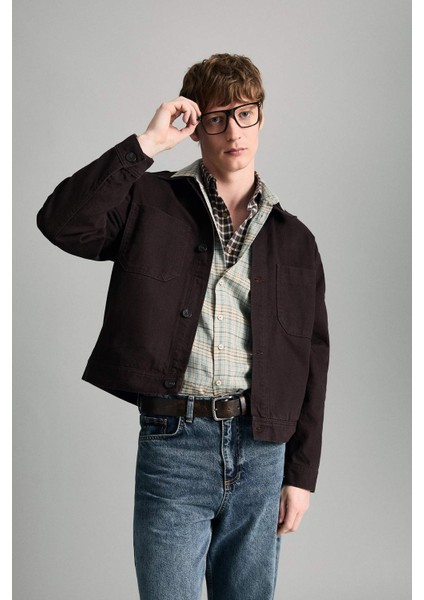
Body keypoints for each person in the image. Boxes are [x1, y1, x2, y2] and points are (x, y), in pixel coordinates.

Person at [37, 53, 329, 600]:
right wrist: (147, 144)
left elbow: (312, 360)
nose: (234, 132)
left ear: (261, 117)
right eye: (216, 119)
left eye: (244, 114)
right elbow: (61, 222)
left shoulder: (295, 240)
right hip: (174, 444)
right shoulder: (150, 202)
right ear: (195, 127)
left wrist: (301, 473)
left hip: (263, 451)